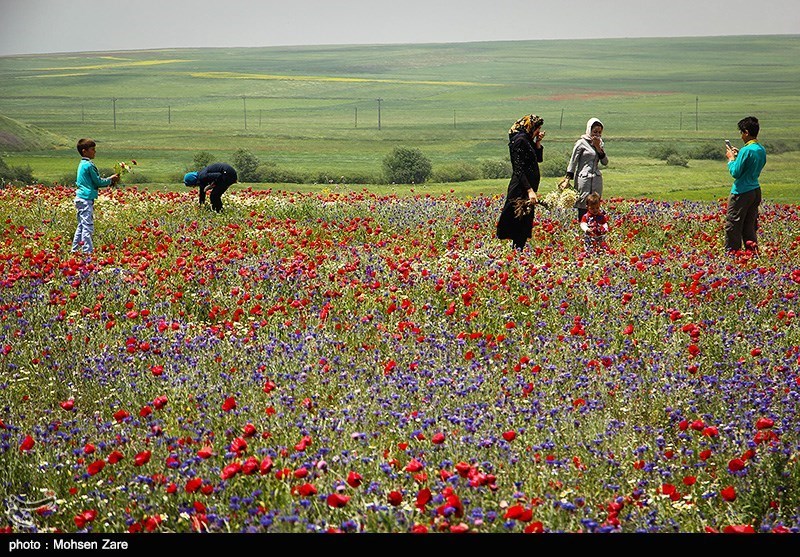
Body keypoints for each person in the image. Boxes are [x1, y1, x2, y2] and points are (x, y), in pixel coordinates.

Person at [496, 114, 545, 251]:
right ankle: (516, 252)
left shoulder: (528, 139)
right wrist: (529, 191)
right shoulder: (519, 141)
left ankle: (517, 251)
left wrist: (537, 142)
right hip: (520, 188)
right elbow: (518, 169)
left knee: (524, 223)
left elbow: (538, 159)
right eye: (537, 128)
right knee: (519, 222)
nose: (538, 131)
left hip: (528, 186)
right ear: (530, 126)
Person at [725, 116, 766, 253]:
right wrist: (739, 156)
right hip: (755, 189)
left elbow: (736, 172)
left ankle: (733, 254)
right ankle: (751, 253)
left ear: (746, 132)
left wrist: (731, 159)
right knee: (749, 225)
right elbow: (749, 167)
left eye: (742, 132)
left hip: (741, 191)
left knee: (733, 225)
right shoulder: (760, 149)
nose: (741, 136)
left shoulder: (746, 150)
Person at [71, 138, 119, 254]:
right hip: (86, 198)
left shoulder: (82, 164)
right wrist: (111, 180)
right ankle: (88, 252)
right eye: (92, 149)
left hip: (80, 197)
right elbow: (97, 182)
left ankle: (75, 250)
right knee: (87, 226)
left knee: (81, 226)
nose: (94, 152)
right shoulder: (89, 165)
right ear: (84, 151)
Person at [564, 117, 608, 222]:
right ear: (589, 130)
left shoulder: (600, 143)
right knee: (583, 204)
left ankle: (595, 229)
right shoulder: (581, 143)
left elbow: (605, 162)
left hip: (596, 179)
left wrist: (598, 147)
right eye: (594, 132)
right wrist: (567, 179)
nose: (597, 135)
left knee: (595, 205)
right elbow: (573, 161)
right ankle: (583, 227)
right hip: (583, 179)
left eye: (599, 132)